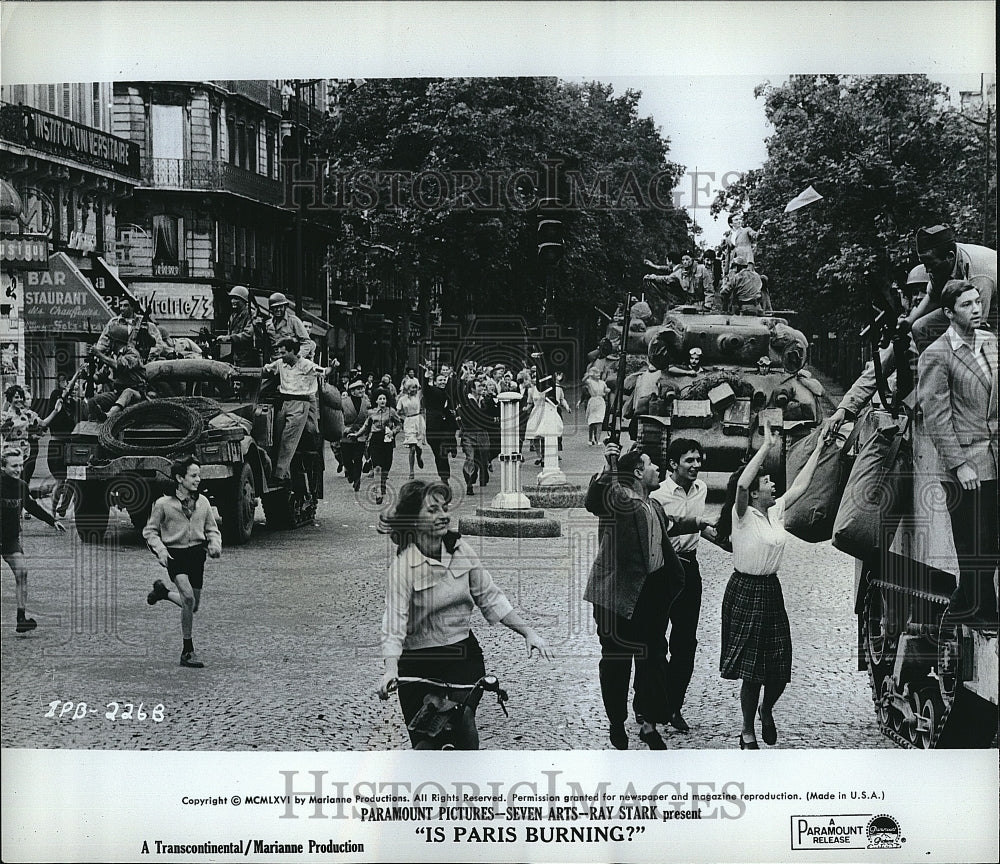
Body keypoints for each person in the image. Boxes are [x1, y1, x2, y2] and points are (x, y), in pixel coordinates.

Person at [376, 479, 552, 748]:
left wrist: (528, 632)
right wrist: (390, 670)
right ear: (413, 519)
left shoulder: (461, 550)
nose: (443, 515)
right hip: (418, 661)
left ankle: (471, 781)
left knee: (464, 720)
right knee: (425, 743)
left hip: (461, 656)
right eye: (432, 510)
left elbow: (490, 596)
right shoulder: (402, 567)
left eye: (444, 508)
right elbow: (394, 623)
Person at [584, 443, 711, 750]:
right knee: (616, 661)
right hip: (617, 596)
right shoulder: (621, 501)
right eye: (652, 464)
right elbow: (595, 499)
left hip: (650, 596)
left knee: (653, 659)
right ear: (639, 472)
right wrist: (611, 465)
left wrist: (702, 523)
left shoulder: (651, 504)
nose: (658, 469)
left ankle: (647, 723)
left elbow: (671, 524)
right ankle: (617, 720)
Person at [714, 422, 826, 749]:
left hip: (770, 592)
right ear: (753, 492)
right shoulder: (742, 514)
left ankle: (767, 709)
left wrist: (820, 447)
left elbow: (802, 485)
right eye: (767, 481)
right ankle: (747, 729)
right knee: (753, 672)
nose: (773, 484)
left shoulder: (775, 510)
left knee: (779, 667)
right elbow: (742, 483)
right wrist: (765, 446)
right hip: (745, 591)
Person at [916, 280, 998, 626]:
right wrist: (959, 464)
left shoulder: (992, 343)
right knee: (973, 543)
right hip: (965, 465)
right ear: (949, 313)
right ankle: (984, 615)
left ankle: (961, 610)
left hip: (994, 458)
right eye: (966, 305)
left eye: (977, 302)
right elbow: (937, 417)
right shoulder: (937, 354)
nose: (977, 309)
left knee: (992, 542)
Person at [649, 437, 715, 733]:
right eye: (689, 460)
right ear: (673, 464)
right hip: (663, 569)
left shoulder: (701, 489)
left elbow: (703, 530)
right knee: (655, 642)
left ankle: (674, 706)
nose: (695, 466)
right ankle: (647, 705)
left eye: (698, 460)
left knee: (686, 642)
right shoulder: (659, 494)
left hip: (690, 567)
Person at [143, 456, 222, 668]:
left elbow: (212, 529)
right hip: (175, 555)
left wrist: (215, 544)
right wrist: (160, 551)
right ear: (180, 478)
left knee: (193, 605)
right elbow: (150, 531)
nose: (198, 480)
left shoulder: (203, 502)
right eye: (193, 476)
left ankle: (163, 593)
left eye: (199, 476)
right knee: (187, 597)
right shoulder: (163, 504)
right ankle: (187, 651)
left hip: (197, 555)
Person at [904, 224, 997, 352]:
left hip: (992, 309)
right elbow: (933, 297)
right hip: (968, 304)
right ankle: (934, 370)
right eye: (924, 263)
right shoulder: (938, 263)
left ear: (950, 256)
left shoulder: (978, 275)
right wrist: (909, 321)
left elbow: (976, 324)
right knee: (920, 328)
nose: (927, 269)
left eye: (930, 264)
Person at [1, 448, 66, 632]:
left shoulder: (21, 485)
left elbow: (30, 505)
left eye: (21, 465)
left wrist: (52, 521)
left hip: (9, 539)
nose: (18, 469)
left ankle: (21, 618)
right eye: (14, 466)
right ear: (2, 467)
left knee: (22, 573)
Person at [263, 337, 327, 485]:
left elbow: (323, 371)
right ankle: (285, 473)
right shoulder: (280, 364)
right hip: (285, 402)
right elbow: (266, 369)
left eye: (284, 352)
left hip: (301, 403)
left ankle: (279, 474)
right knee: (276, 435)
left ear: (293, 351)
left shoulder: (306, 365)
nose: (281, 355)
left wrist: (334, 367)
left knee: (288, 438)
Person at [2, 385, 63, 489]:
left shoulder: (28, 414)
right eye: (16, 397)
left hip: (26, 453)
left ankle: (23, 503)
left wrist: (55, 411)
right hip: (10, 453)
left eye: (21, 397)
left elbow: (43, 423)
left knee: (24, 482)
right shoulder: (4, 416)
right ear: (10, 398)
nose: (20, 400)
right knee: (10, 483)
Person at [353, 389, 402, 505]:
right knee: (377, 467)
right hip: (375, 440)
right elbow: (366, 426)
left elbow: (399, 424)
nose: (382, 400)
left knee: (386, 466)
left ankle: (382, 483)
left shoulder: (391, 412)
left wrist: (393, 432)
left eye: (384, 398)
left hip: (387, 439)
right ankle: (378, 492)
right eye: (380, 398)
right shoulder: (371, 413)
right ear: (376, 400)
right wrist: (356, 435)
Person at [459, 379, 495, 496]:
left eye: (483, 386)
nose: (483, 388)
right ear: (473, 389)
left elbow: (490, 413)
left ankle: (481, 473)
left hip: (483, 433)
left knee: (483, 458)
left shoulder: (484, 400)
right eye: (480, 386)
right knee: (470, 458)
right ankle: (469, 483)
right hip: (470, 433)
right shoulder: (467, 401)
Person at [422, 368, 459, 483]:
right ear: (435, 382)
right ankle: (443, 475)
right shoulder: (432, 391)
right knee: (438, 455)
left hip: (445, 428)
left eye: (444, 380)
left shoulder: (447, 393)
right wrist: (426, 377)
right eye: (440, 380)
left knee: (442, 453)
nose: (442, 382)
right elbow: (426, 389)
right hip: (433, 428)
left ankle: (445, 478)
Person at [216, 285, 260, 366]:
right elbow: (230, 334)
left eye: (236, 299)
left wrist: (229, 338)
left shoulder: (251, 314)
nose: (233, 301)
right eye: (232, 299)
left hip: (248, 358)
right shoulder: (233, 316)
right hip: (236, 356)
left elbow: (248, 334)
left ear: (243, 300)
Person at [341, 378, 372, 491]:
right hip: (346, 434)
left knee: (358, 458)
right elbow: (338, 418)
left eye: (362, 388)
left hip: (361, 433)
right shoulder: (344, 402)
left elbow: (369, 418)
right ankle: (349, 471)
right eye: (358, 389)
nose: (361, 391)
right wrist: (344, 428)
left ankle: (357, 479)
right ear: (352, 391)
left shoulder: (366, 402)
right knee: (347, 459)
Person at [265, 292, 315, 361]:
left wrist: (298, 358)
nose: (278, 309)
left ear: (285, 307)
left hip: (291, 363)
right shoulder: (268, 324)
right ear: (271, 309)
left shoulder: (293, 321)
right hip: (276, 363)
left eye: (280, 307)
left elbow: (306, 342)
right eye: (275, 307)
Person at [396, 378, 426, 480]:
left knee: (418, 446)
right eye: (413, 387)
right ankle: (411, 470)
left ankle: (419, 456)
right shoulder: (402, 399)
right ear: (407, 388)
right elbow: (398, 412)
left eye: (416, 387)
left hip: (418, 421)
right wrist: (404, 418)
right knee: (412, 447)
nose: (415, 389)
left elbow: (425, 387)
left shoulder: (418, 396)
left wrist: (427, 373)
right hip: (408, 421)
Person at [581, 369, 610, 445]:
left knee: (600, 421)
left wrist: (607, 391)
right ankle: (590, 439)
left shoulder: (602, 383)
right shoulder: (590, 382)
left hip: (601, 402)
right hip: (593, 401)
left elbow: (605, 390)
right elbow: (583, 381)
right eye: (596, 374)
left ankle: (598, 439)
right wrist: (588, 374)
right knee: (592, 421)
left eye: (599, 374)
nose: (598, 375)